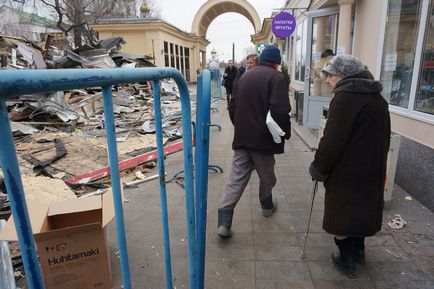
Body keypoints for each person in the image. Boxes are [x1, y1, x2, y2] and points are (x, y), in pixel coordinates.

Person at [309, 54, 391, 278]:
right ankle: (358, 252)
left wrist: (319, 166)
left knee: (343, 216)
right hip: (371, 170)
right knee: (362, 211)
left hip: (347, 171)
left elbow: (332, 140)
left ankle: (347, 260)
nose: (327, 80)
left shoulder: (344, 98)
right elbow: (385, 138)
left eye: (331, 75)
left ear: (345, 76)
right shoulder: (378, 99)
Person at [217, 45, 291, 238]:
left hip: (242, 138)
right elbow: (280, 109)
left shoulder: (246, 77)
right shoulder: (277, 78)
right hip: (263, 141)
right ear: (276, 63)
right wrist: (285, 133)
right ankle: (267, 206)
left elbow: (232, 105)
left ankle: (224, 222)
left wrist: (240, 126)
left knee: (235, 179)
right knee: (267, 176)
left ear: (260, 60)